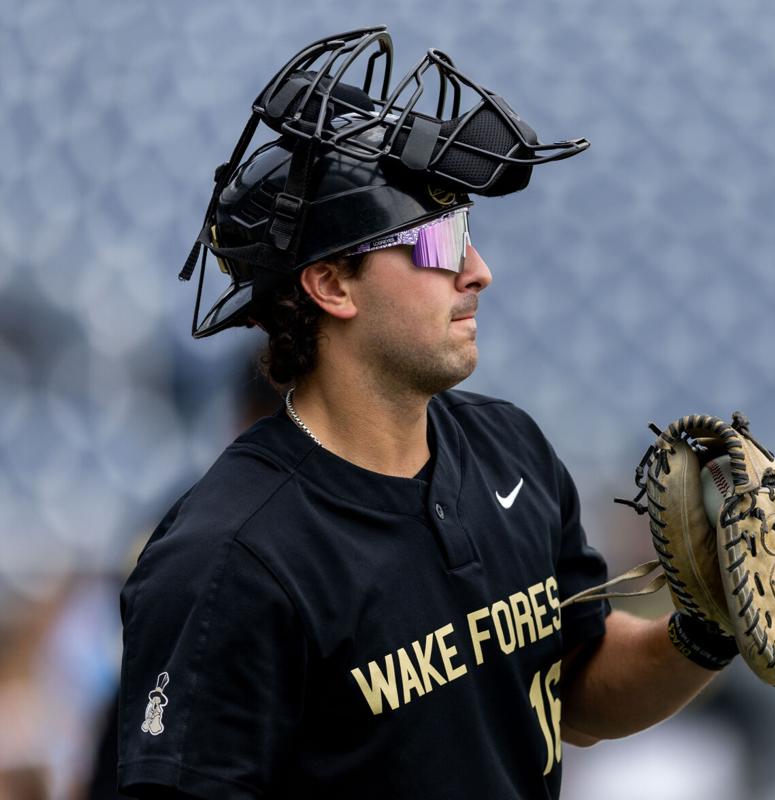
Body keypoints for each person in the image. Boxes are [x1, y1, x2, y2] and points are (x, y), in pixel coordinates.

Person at [117, 28, 737, 799]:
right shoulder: (228, 558)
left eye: (468, 234)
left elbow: (572, 688)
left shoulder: (511, 449)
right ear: (332, 286)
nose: (478, 271)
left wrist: (705, 630)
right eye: (439, 242)